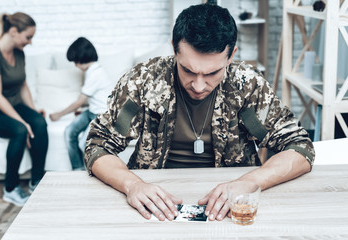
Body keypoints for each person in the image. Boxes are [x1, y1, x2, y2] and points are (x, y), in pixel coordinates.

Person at [84, 3, 315, 221]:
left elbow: (299, 147)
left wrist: (251, 182)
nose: (198, 85)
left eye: (212, 73)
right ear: (174, 49)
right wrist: (132, 185)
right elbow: (98, 144)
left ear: (231, 55)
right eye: (188, 70)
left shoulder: (246, 85)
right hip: (153, 203)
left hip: (231, 204)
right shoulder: (143, 81)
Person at [0, 12, 48, 206]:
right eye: (28, 37)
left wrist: (32, 112)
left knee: (39, 122)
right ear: (14, 32)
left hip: (13, 104)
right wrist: (23, 122)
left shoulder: (19, 52)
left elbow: (23, 85)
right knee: (20, 130)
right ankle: (11, 188)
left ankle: (36, 181)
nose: (30, 42)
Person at [49, 37, 113, 170]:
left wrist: (58, 115)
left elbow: (78, 102)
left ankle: (91, 170)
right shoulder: (92, 71)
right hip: (91, 112)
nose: (75, 66)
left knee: (83, 143)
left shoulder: (96, 73)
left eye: (74, 62)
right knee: (69, 132)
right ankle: (77, 169)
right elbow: (92, 98)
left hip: (101, 117)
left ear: (80, 60)